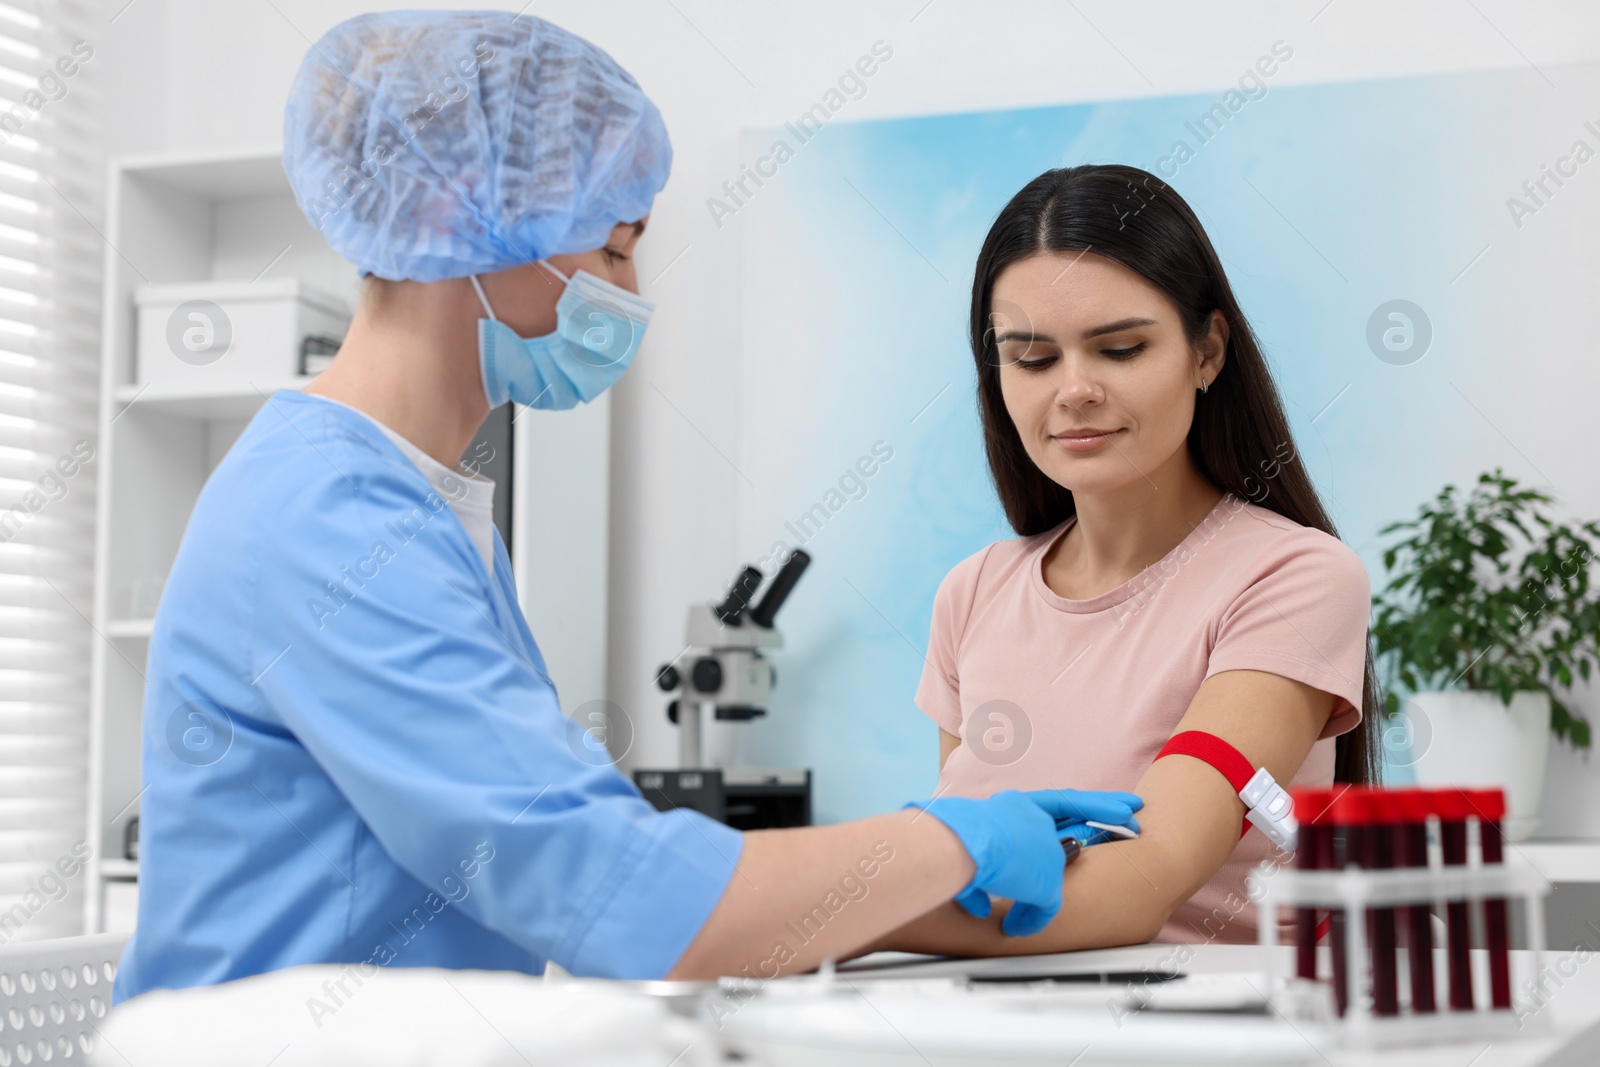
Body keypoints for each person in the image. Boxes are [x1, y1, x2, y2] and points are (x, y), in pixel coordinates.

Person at [111, 12, 1142, 1003]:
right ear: (461, 219)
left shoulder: (405, 496)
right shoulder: (328, 517)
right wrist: (950, 836)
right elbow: (626, 898)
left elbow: (569, 845)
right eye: (611, 246)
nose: (630, 287)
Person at [862, 165, 1379, 957]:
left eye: (1120, 348)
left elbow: (1142, 882)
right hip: (988, 1021)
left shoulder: (1295, 579)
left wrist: (810, 917)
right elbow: (962, 862)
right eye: (1031, 359)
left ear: (1206, 351)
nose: (1073, 390)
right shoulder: (973, 593)